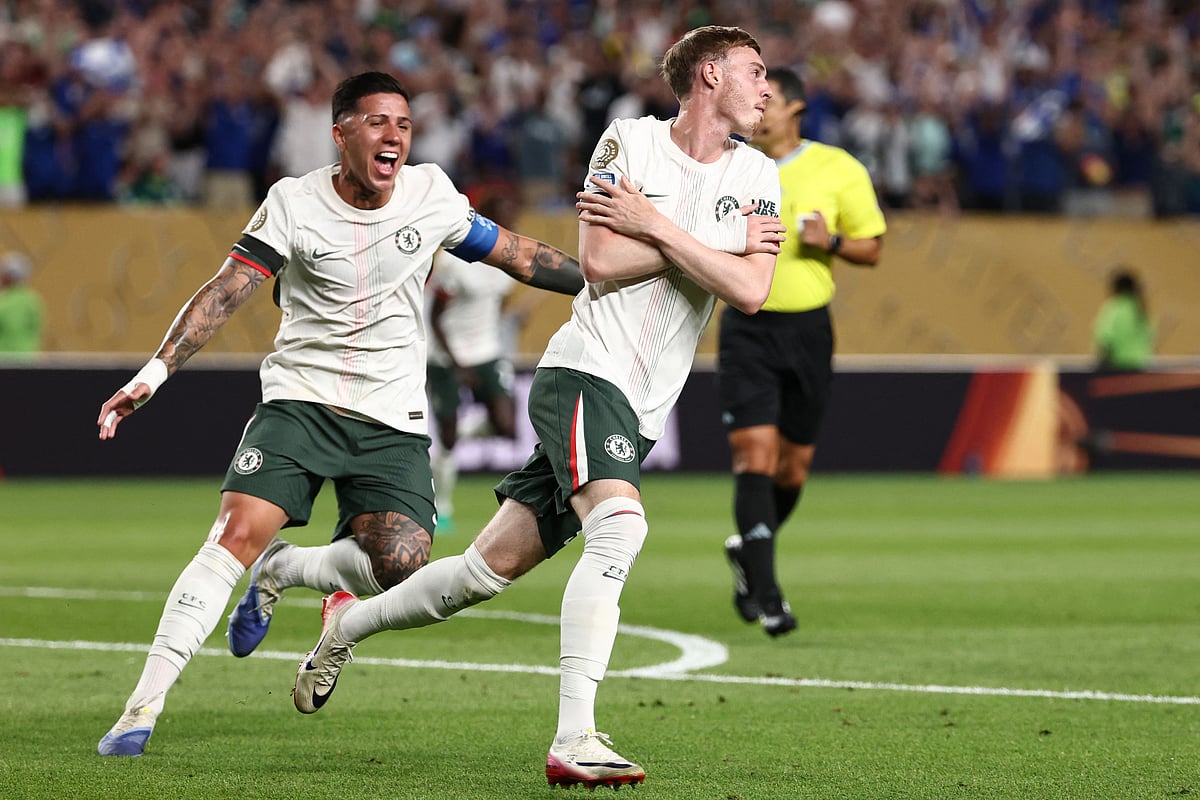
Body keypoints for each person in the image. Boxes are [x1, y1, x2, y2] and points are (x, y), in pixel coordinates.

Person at [287, 25, 784, 790]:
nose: (767, 88)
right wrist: (709, 242)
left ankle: (344, 621)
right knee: (620, 527)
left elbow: (753, 291)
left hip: (645, 406)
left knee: (479, 575)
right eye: (755, 71)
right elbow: (599, 263)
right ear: (709, 74)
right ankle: (575, 737)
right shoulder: (628, 143)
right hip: (586, 373)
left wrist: (655, 226)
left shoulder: (760, 176)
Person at [94, 71, 584, 757]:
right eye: (379, 122)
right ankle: (137, 712)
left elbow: (521, 256)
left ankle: (285, 571)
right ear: (341, 132)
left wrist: (602, 278)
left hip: (390, 414)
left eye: (405, 125)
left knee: (402, 563)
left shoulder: (430, 195)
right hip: (301, 401)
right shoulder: (293, 203)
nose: (395, 137)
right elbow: (226, 290)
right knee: (233, 534)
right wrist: (154, 372)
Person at [718, 66, 886, 637]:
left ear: (795, 109)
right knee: (754, 459)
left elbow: (873, 248)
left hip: (810, 332)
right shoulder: (727, 165)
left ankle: (748, 552)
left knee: (793, 468)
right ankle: (768, 596)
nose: (758, 112)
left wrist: (832, 243)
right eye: (753, 102)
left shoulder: (839, 168)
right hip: (747, 327)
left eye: (768, 101)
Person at [426, 193, 526, 534]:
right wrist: (456, 364)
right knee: (449, 435)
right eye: (503, 216)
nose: (509, 225)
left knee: (506, 425)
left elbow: (495, 306)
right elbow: (436, 316)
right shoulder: (455, 263)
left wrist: (501, 335)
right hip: (442, 355)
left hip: (486, 351)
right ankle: (444, 506)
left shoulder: (510, 262)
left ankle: (454, 435)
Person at [1093, 267, 1154, 371]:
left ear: (1117, 288)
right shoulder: (1142, 311)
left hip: (1116, 370)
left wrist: (1099, 367)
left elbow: (1106, 340)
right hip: (1141, 369)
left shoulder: (1115, 308)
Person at [0, 251, 45, 355]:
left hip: (6, 363)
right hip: (28, 361)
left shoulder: (5, 302)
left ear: (8, 277)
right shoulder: (33, 301)